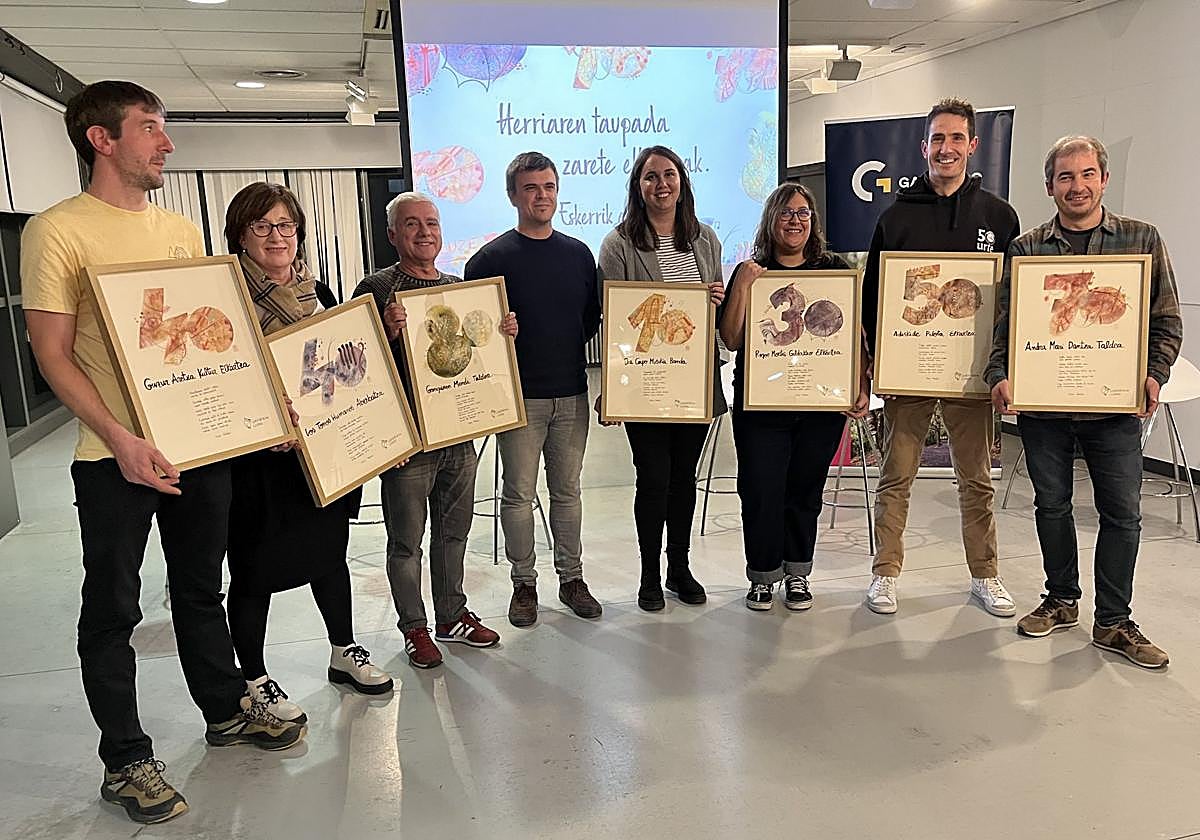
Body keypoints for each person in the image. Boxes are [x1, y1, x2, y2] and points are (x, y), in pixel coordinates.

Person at [21, 81, 303, 826]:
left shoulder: (180, 232)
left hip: (198, 446)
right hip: (110, 454)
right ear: (102, 139)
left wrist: (260, 410)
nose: (167, 143)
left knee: (200, 588)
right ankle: (126, 759)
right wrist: (120, 439)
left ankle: (225, 710)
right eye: (150, 128)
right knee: (112, 609)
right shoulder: (57, 231)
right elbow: (52, 354)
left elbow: (211, 344)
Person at [987, 136, 1181, 668]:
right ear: (1050, 186)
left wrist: (1153, 375)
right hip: (1045, 409)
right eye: (1066, 177)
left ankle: (1114, 621)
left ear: (1104, 179)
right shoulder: (1027, 249)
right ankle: (1061, 599)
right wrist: (1000, 375)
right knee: (1051, 506)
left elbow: (1166, 320)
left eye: (1087, 174)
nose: (1077, 186)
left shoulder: (1142, 240)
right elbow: (1006, 327)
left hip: (1114, 409)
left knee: (1122, 514)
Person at [223, 182, 393, 717]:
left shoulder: (317, 292)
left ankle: (343, 650)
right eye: (262, 226)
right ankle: (254, 677)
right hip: (260, 459)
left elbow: (344, 370)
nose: (277, 237)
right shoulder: (226, 299)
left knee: (328, 555)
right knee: (253, 569)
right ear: (240, 235)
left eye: (286, 226)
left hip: (321, 453)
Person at [858, 97, 1020, 617]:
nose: (946, 149)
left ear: (973, 145)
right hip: (910, 369)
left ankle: (985, 576)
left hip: (970, 372)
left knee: (976, 480)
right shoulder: (896, 217)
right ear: (923, 147)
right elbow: (874, 297)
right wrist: (875, 360)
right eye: (937, 139)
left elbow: (1010, 300)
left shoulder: (999, 216)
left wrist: (1005, 367)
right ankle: (885, 574)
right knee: (896, 475)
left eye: (956, 138)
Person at [354, 192, 512, 667]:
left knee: (454, 533)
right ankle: (414, 627)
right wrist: (385, 331)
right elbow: (355, 366)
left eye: (432, 223)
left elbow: (472, 358)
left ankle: (451, 615)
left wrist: (500, 334)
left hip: (457, 433)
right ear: (392, 234)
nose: (424, 232)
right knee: (406, 542)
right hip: (409, 442)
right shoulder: (376, 287)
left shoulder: (457, 288)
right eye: (412, 224)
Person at [464, 152, 603, 627]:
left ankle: (572, 579)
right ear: (512, 196)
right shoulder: (489, 261)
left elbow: (588, 321)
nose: (541, 196)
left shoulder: (579, 255)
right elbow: (475, 333)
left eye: (548, 186)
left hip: (572, 393)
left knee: (567, 492)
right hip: (518, 399)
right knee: (518, 495)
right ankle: (523, 584)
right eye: (530, 188)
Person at [596, 145, 725, 611]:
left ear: (682, 182)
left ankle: (679, 568)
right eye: (650, 177)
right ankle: (649, 574)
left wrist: (717, 299)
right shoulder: (618, 244)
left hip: (695, 378)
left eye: (669, 174)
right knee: (652, 478)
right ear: (638, 187)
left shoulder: (705, 239)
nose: (661, 184)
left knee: (684, 479)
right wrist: (612, 388)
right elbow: (615, 321)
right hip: (645, 383)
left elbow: (714, 316)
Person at [718, 183, 851, 611]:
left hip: (819, 405)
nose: (795, 220)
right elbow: (731, 338)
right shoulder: (751, 270)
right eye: (786, 212)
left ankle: (797, 573)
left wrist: (857, 384)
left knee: (805, 489)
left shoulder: (835, 269)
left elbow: (853, 334)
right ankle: (762, 575)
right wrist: (744, 286)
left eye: (803, 213)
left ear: (813, 221)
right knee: (760, 490)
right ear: (771, 219)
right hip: (761, 405)